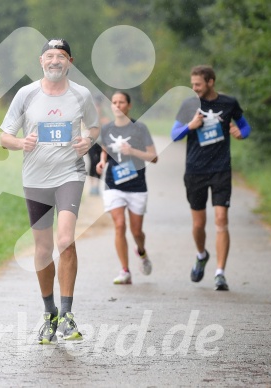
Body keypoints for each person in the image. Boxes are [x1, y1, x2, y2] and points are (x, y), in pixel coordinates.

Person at [0, 38, 100, 344]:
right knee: (43, 250)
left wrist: (88, 141)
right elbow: (5, 136)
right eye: (50, 56)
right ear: (41, 61)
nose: (55, 61)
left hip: (70, 174)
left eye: (62, 56)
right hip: (35, 178)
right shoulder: (26, 94)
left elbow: (94, 128)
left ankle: (68, 314)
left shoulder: (81, 95)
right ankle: (49, 313)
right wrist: (21, 143)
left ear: (69, 62)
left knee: (66, 240)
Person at [171, 65, 251, 291]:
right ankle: (201, 254)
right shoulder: (189, 105)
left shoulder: (229, 103)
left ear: (210, 82)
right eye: (192, 84)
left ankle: (220, 273)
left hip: (221, 169)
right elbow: (174, 135)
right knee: (198, 224)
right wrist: (191, 126)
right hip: (195, 170)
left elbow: (245, 127)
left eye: (197, 84)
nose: (193, 88)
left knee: (221, 219)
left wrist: (241, 133)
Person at [96, 91, 157, 285]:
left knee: (136, 231)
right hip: (114, 184)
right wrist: (102, 161)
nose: (117, 105)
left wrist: (132, 151)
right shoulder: (106, 129)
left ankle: (141, 251)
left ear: (128, 106)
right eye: (114, 102)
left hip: (137, 186)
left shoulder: (140, 128)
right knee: (120, 225)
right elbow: (105, 147)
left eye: (121, 102)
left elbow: (154, 157)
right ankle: (125, 270)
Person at [85, 95, 108, 196]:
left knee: (100, 164)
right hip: (92, 144)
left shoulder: (105, 119)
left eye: (98, 106)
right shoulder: (88, 119)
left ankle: (97, 185)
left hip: (102, 144)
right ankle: (92, 185)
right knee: (93, 163)